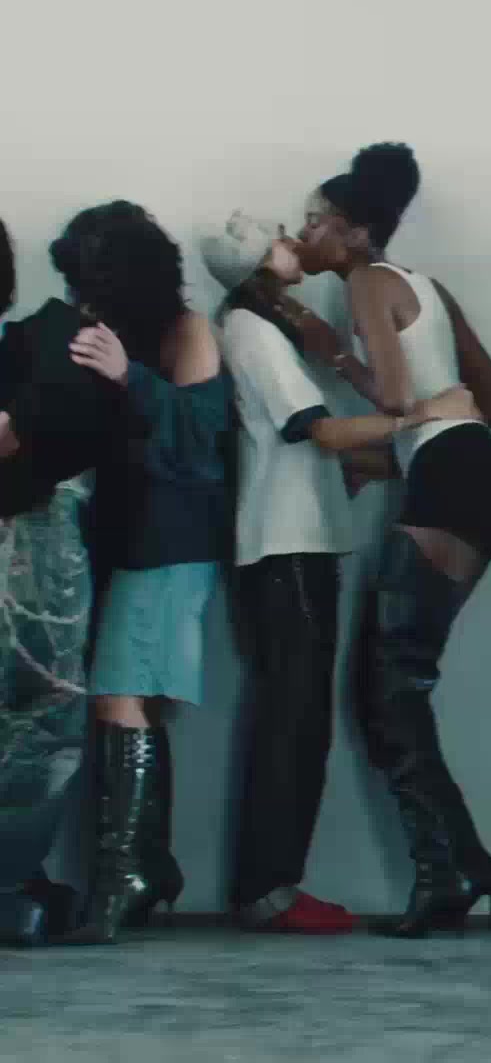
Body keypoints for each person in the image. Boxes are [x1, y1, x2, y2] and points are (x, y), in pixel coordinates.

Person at [201, 210, 481, 933]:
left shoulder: (268, 326)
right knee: (293, 720)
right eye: (279, 238)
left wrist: (385, 457)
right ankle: (269, 891)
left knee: (299, 715)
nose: (294, 241)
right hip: (284, 546)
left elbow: (316, 448)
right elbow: (319, 432)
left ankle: (272, 887)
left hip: (300, 542)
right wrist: (424, 416)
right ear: (257, 262)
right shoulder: (252, 330)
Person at [299, 143, 491, 938]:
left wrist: (341, 365)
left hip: (449, 479)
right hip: (478, 474)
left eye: (316, 220)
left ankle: (447, 869)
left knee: (387, 685)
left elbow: (397, 398)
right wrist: (398, 431)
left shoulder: (364, 282)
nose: (306, 233)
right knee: (398, 682)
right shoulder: (429, 287)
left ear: (355, 231)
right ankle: (463, 863)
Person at [47, 203, 231, 945]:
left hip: (170, 542)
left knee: (122, 696)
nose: (83, 299)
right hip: (124, 539)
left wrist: (129, 378)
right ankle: (145, 865)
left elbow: (199, 445)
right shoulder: (109, 330)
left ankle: (127, 872)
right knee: (127, 699)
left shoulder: (188, 331)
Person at [0, 218, 131, 946]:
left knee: (41, 724)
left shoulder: (51, 344)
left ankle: (12, 884)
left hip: (40, 585)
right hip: (43, 583)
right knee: (41, 725)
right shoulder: (51, 347)